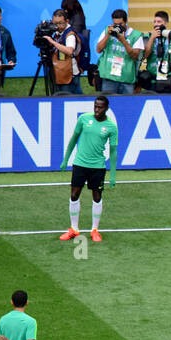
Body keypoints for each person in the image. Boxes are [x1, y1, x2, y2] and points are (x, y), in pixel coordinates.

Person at [59, 95, 117, 242]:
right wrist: (66, 159)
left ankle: (95, 230)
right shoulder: (84, 119)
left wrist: (113, 174)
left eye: (100, 107)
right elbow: (73, 139)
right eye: (95, 106)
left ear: (106, 108)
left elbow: (113, 151)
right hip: (80, 164)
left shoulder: (111, 127)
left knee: (97, 197)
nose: (97, 110)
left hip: (98, 167)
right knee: (74, 195)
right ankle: (74, 229)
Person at [95, 8, 144, 95]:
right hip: (109, 77)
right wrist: (108, 35)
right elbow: (98, 49)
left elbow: (135, 56)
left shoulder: (135, 35)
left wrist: (123, 41)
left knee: (127, 102)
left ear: (126, 21)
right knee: (108, 101)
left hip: (126, 78)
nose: (118, 27)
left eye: (120, 24)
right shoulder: (108, 30)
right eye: (115, 24)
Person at [46, 8, 82, 95]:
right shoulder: (57, 33)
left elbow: (70, 51)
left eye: (60, 23)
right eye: (55, 23)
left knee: (70, 98)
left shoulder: (70, 34)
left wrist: (53, 42)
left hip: (69, 75)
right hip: (60, 72)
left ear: (67, 21)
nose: (57, 26)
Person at [141, 10, 171, 93]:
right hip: (152, 79)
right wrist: (152, 38)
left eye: (159, 22)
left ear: (166, 23)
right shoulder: (148, 36)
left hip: (168, 78)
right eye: (154, 22)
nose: (156, 24)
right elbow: (145, 55)